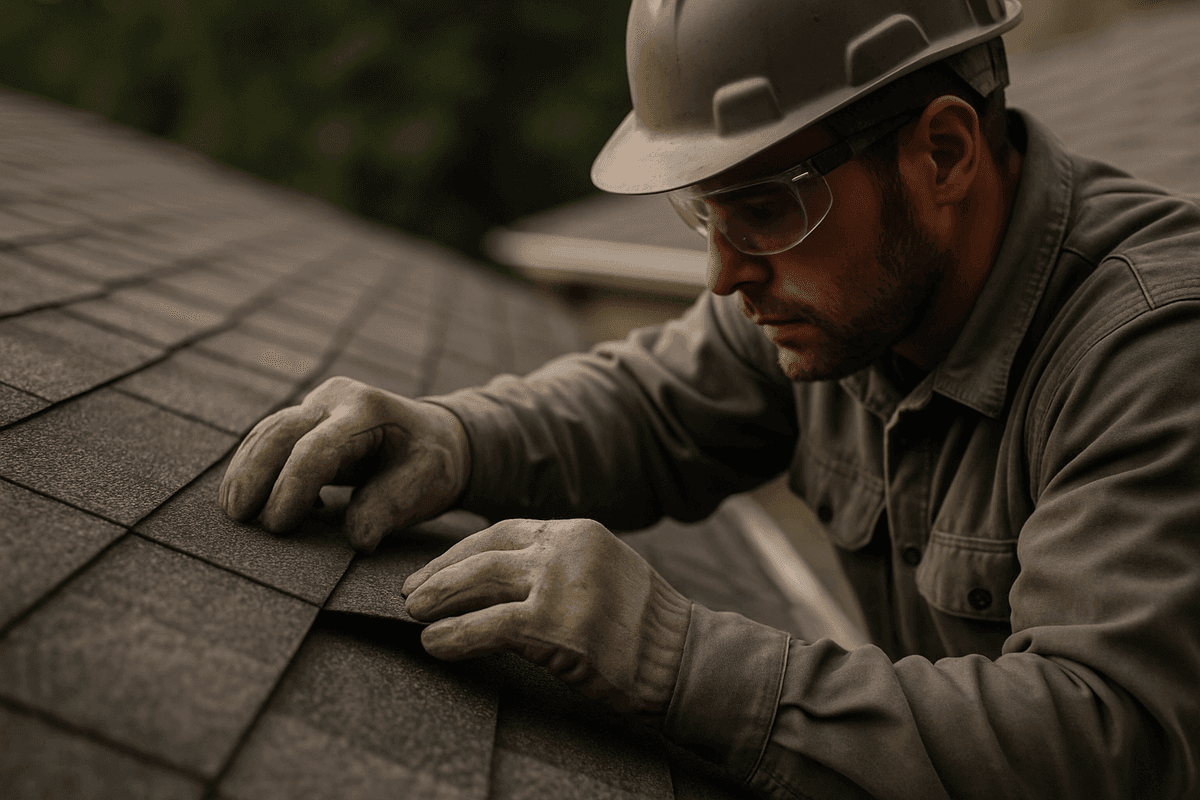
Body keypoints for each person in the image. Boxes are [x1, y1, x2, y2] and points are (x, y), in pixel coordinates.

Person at [218, 0, 1200, 797]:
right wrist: (457, 435)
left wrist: (676, 655)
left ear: (941, 153)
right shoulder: (848, 295)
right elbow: (653, 404)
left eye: (767, 209)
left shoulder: (1155, 352)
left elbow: (1107, 739)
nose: (726, 275)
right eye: (706, 214)